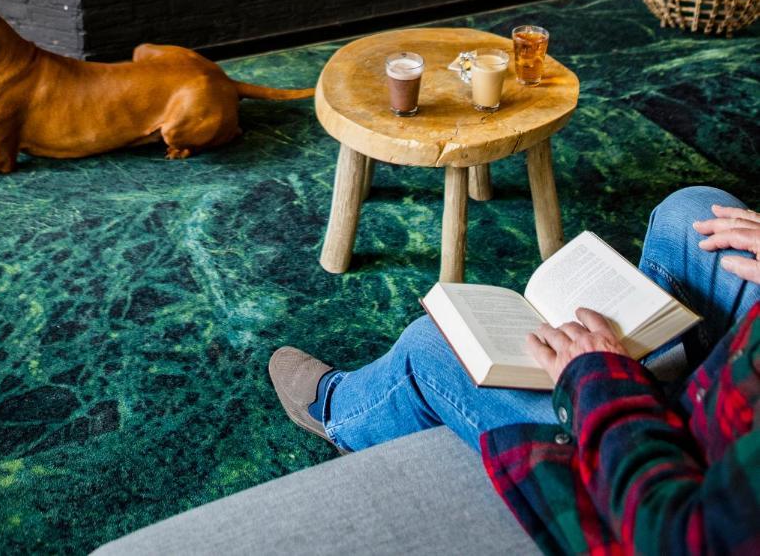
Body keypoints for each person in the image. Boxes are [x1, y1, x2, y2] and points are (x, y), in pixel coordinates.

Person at [269, 187, 760, 553]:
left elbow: (674, 536)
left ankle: (342, 412)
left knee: (438, 344)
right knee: (692, 214)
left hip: (651, 499)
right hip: (730, 400)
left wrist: (603, 378)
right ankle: (661, 355)